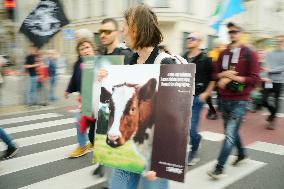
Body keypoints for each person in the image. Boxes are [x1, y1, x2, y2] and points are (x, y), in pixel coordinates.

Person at [98, 4, 177, 189]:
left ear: (138, 28)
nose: (123, 31)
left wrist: (162, 159)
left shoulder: (165, 63)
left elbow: (175, 117)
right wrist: (105, 79)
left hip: (155, 156)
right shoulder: (130, 61)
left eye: (126, 26)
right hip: (131, 149)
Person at [207, 22, 260, 179]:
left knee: (229, 134)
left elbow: (255, 79)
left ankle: (219, 168)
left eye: (235, 31)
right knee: (231, 132)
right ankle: (242, 154)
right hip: (224, 99)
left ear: (241, 33)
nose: (232, 34)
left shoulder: (250, 53)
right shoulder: (223, 53)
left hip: (240, 100)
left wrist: (234, 77)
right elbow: (214, 75)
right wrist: (223, 75)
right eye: (230, 31)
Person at [182, 32, 215, 166]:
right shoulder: (182, 57)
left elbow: (213, 79)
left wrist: (206, 93)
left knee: (191, 128)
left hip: (197, 98)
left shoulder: (206, 59)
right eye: (188, 38)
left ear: (199, 41)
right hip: (182, 97)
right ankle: (197, 138)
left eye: (192, 38)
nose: (189, 40)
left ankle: (194, 150)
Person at [65, 37, 97, 158]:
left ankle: (94, 144)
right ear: (79, 52)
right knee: (79, 120)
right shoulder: (78, 64)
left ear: (93, 49)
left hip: (100, 100)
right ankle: (82, 145)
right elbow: (74, 79)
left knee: (97, 129)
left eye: (87, 47)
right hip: (86, 101)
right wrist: (68, 90)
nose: (85, 50)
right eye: (81, 49)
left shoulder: (99, 61)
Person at [261, 35, 284, 129]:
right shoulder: (269, 53)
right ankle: (272, 114)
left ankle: (272, 120)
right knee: (264, 100)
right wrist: (265, 76)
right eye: (277, 41)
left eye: (281, 41)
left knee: (276, 100)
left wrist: (270, 70)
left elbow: (282, 67)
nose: (278, 42)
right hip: (268, 81)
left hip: (278, 81)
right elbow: (264, 66)